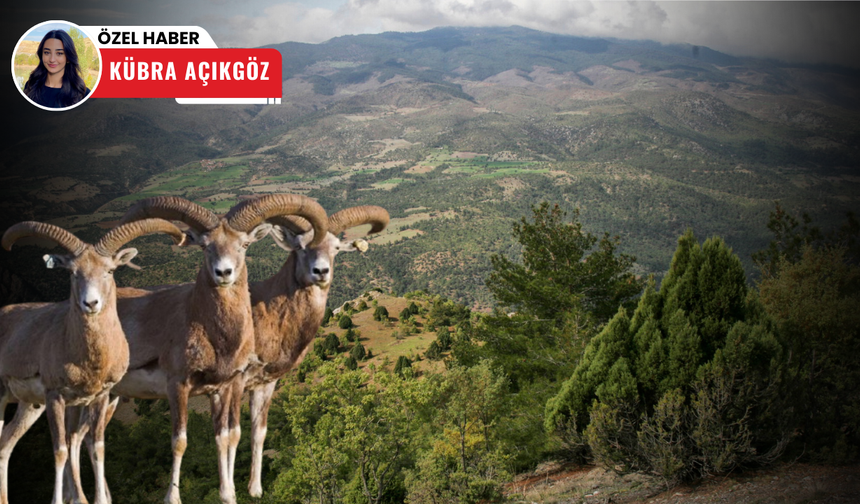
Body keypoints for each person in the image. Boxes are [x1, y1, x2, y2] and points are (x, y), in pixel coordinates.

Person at [23, 29, 91, 108]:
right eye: (47, 52)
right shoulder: (31, 85)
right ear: (41, 55)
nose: (52, 59)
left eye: (59, 53)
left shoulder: (82, 93)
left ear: (68, 58)